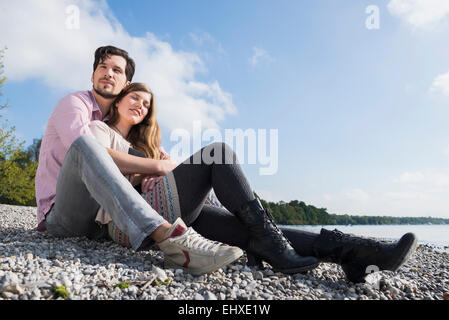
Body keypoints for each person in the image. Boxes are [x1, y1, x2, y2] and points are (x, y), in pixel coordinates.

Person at [90, 82, 418, 283]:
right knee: (217, 153)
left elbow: (173, 172)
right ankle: (273, 246)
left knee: (255, 231)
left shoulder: (152, 146)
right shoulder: (100, 130)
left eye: (146, 104)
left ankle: (355, 253)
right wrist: (160, 166)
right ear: (118, 100)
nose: (140, 105)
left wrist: (164, 166)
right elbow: (101, 158)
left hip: (174, 216)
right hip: (129, 221)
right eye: (134, 98)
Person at [35, 45, 245, 276]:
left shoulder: (120, 125)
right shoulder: (75, 105)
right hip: (64, 216)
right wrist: (155, 167)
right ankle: (167, 236)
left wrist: (156, 168)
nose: (108, 73)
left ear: (125, 84)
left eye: (117, 70)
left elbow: (165, 160)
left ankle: (266, 238)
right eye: (102, 67)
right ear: (92, 75)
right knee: (85, 145)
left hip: (104, 223)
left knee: (232, 218)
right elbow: (95, 155)